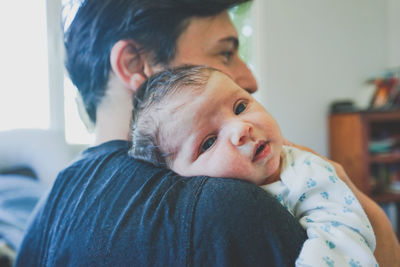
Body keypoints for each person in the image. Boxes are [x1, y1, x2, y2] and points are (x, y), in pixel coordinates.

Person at [15, 0, 400, 266]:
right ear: (135, 62)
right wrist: (376, 224)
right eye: (225, 53)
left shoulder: (43, 217)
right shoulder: (228, 205)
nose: (250, 79)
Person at [129, 65, 378, 266]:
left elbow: (344, 238)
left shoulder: (305, 172)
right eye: (209, 142)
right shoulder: (187, 214)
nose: (242, 128)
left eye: (240, 107)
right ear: (177, 178)